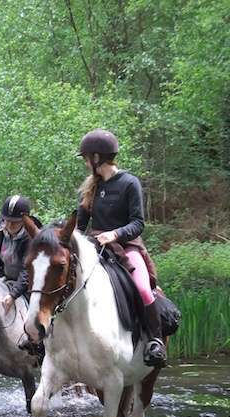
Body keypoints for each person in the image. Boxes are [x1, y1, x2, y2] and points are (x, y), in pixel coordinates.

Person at [75, 128, 166, 367]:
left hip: (126, 247)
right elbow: (80, 225)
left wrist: (114, 234)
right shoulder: (89, 188)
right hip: (96, 248)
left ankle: (155, 341)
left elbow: (138, 223)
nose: (85, 163)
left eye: (86, 158)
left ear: (97, 158)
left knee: (144, 289)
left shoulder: (129, 183)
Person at [0, 195, 43, 311]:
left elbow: (26, 271)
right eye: (7, 221)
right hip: (5, 280)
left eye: (15, 222)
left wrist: (13, 294)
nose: (10, 225)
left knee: (36, 316)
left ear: (24, 221)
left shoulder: (31, 239)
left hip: (30, 285)